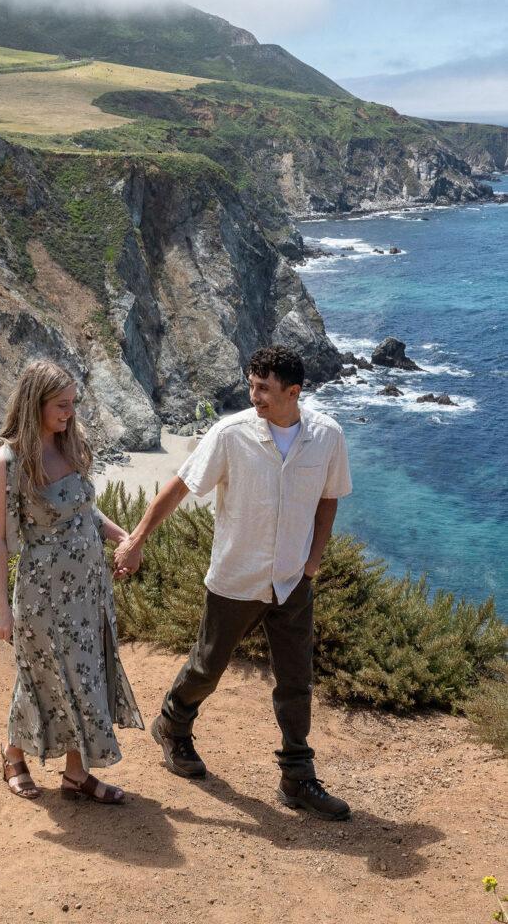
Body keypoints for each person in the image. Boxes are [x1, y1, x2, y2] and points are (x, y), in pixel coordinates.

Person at [114, 345, 352, 820]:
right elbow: (180, 485)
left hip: (291, 582)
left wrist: (312, 564)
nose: (254, 396)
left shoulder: (327, 436)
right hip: (235, 579)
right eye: (252, 385)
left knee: (296, 681)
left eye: (264, 388)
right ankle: (174, 725)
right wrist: (137, 539)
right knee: (207, 668)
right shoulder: (230, 433)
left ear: (293, 392)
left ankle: (297, 777)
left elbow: (329, 499)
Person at [0, 360, 143, 803]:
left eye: (73, 403)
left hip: (89, 588)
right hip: (43, 594)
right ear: (35, 403)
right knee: (43, 675)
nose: (70, 413)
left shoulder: (70, 446)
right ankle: (13, 755)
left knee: (86, 675)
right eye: (62, 404)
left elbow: (84, 509)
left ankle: (77, 774)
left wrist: (123, 537)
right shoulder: (8, 461)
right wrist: (1, 607)